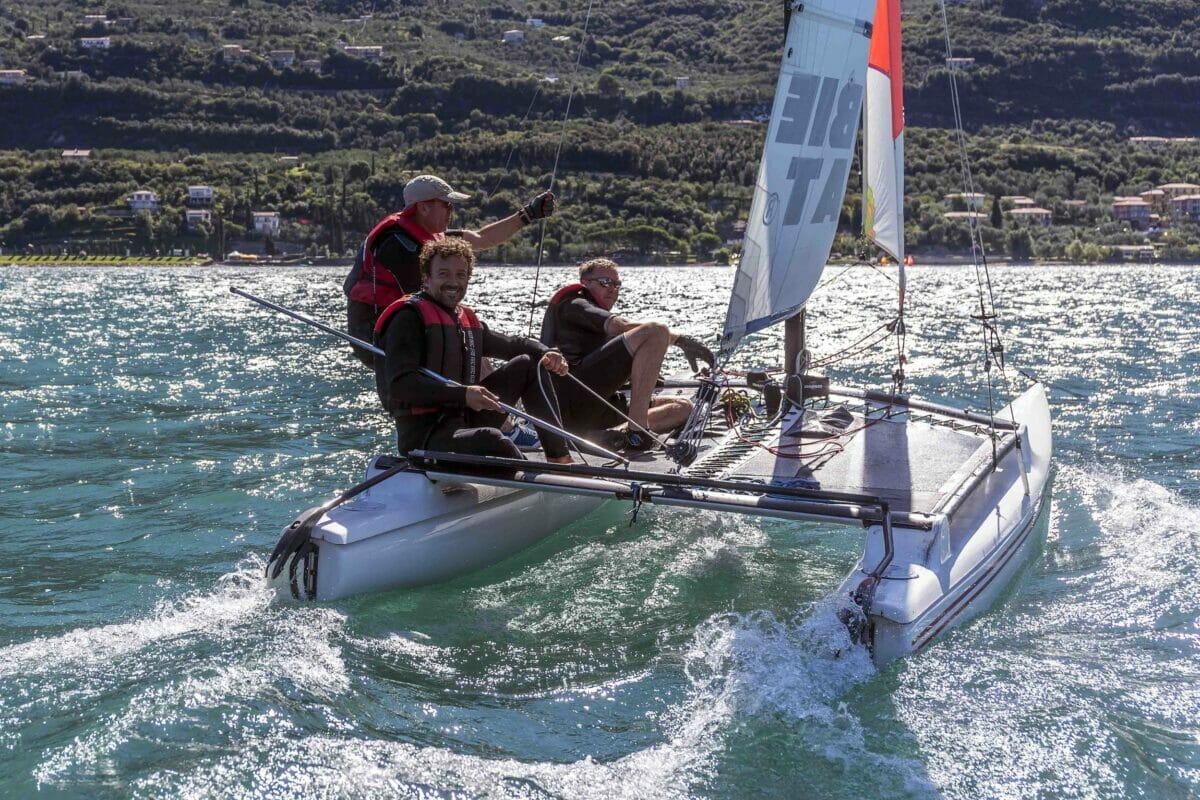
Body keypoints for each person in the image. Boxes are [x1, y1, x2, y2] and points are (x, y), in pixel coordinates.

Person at [375, 238, 573, 464]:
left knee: (529, 363)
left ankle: (560, 459)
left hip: (464, 418)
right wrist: (463, 394)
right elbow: (400, 385)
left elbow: (512, 344)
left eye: (461, 275)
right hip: (425, 435)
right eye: (443, 274)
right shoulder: (408, 318)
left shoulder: (464, 319)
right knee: (492, 440)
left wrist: (547, 352)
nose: (453, 282)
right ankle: (539, 482)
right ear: (427, 277)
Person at [344, 173, 554, 364]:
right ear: (423, 207)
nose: (451, 212)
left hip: (409, 326)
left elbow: (482, 238)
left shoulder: (430, 235)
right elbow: (433, 301)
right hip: (374, 334)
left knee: (475, 356)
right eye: (446, 205)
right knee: (471, 355)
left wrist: (529, 214)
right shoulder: (397, 244)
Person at [540, 258, 715, 450]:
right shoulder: (575, 303)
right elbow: (620, 326)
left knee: (683, 407)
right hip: (572, 400)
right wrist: (680, 340)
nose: (612, 289)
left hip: (598, 405)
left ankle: (614, 434)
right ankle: (637, 432)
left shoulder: (593, 315)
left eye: (617, 284)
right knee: (656, 330)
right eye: (605, 282)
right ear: (585, 283)